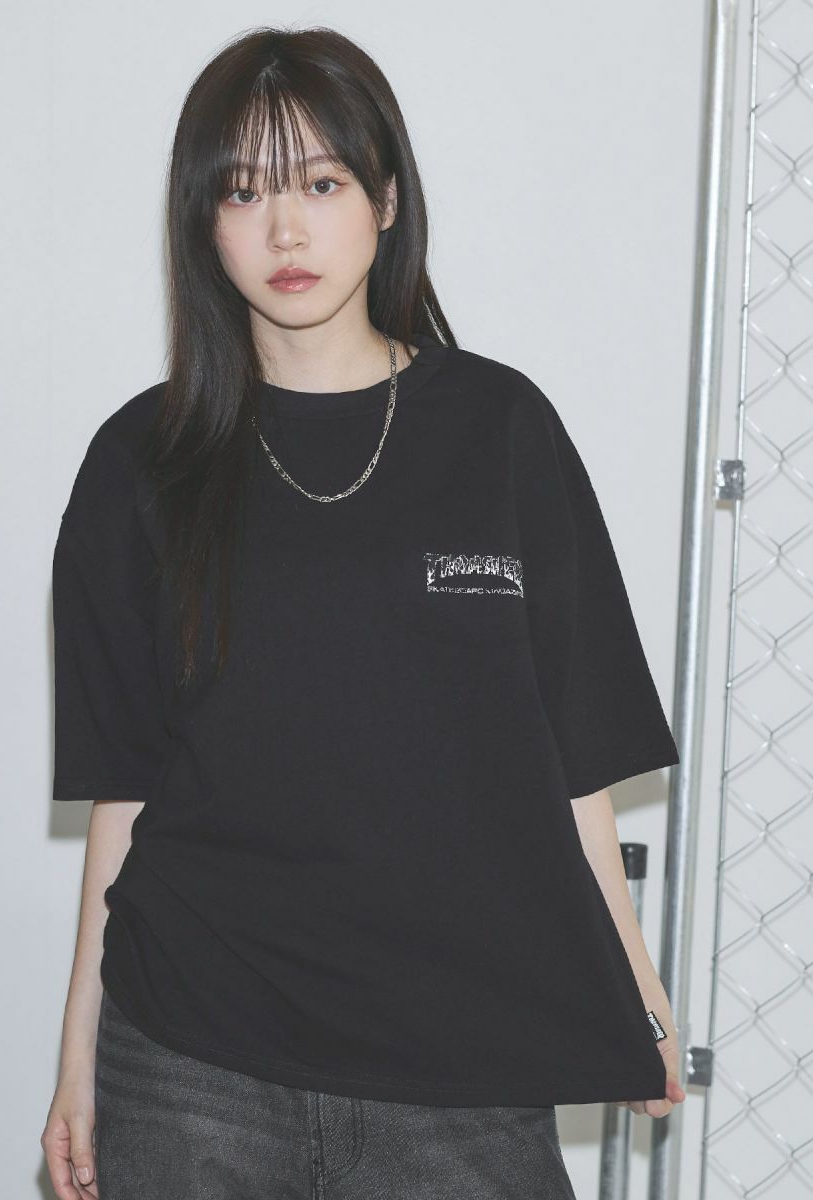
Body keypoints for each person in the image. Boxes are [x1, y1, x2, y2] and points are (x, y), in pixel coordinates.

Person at [40, 23, 686, 1200]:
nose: (284, 231)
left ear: (386, 200)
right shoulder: (141, 460)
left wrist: (633, 987)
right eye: (243, 192)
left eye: (322, 184)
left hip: (460, 1067)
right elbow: (124, 793)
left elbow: (570, 761)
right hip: (191, 1061)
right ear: (202, 222)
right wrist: (76, 1056)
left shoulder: (499, 431)